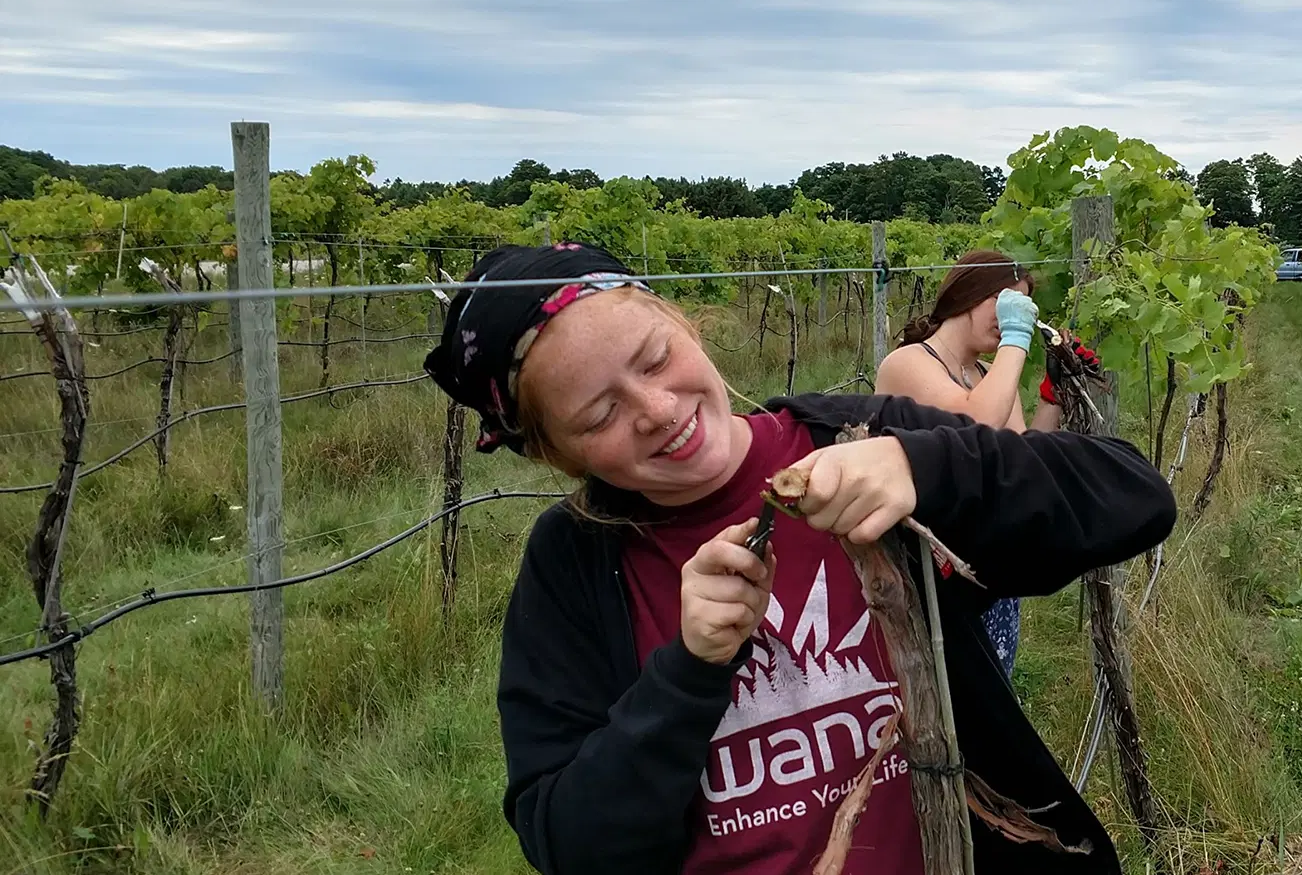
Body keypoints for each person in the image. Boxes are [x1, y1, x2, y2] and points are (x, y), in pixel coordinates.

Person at [423, 242, 1174, 875]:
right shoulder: (573, 566)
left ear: (681, 323)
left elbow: (1134, 497)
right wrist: (688, 670)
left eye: (655, 358)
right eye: (600, 414)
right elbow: (572, 843)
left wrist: (925, 468)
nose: (656, 410)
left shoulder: (857, 439)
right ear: (556, 452)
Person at [874, 250, 1102, 678]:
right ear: (968, 293)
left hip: (986, 574)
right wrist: (1017, 337)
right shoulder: (907, 364)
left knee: (990, 704)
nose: (1009, 316)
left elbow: (1020, 457)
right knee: (943, 709)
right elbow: (974, 420)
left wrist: (1052, 393)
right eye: (1004, 302)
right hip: (929, 580)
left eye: (1019, 307)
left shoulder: (986, 375)